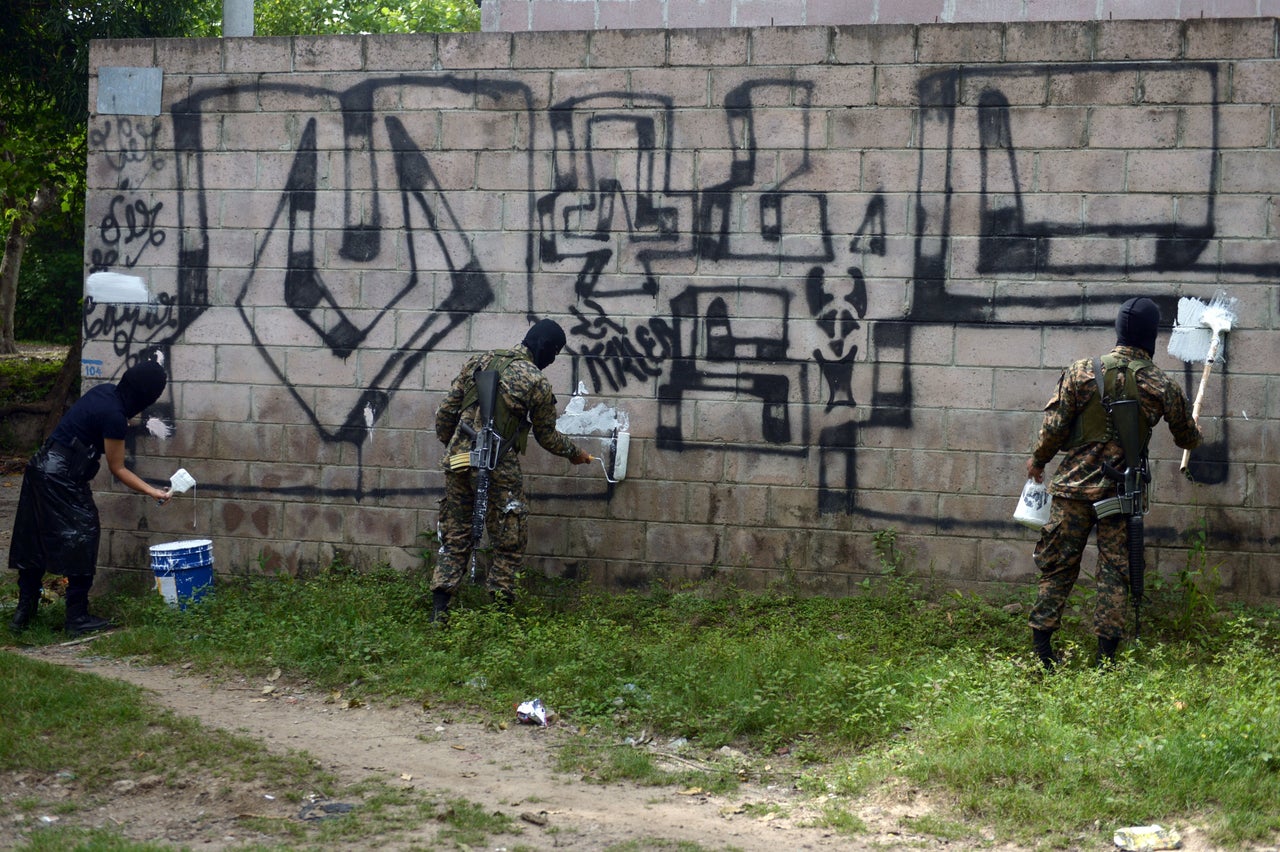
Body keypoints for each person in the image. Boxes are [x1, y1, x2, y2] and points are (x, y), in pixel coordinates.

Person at [1025, 297, 1202, 668]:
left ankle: (1042, 652)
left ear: (1120, 329)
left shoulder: (1080, 372)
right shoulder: (1162, 385)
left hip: (1072, 491)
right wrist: (1194, 433)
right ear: (1150, 335)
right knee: (1115, 573)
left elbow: (1053, 429)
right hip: (1121, 495)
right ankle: (1105, 660)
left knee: (1057, 566)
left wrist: (1038, 461)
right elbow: (1187, 437)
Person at [431, 319, 592, 622]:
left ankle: (439, 611)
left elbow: (445, 414)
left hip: (458, 462)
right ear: (544, 347)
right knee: (509, 537)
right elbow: (547, 437)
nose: (553, 360)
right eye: (554, 353)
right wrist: (576, 454)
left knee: (455, 534)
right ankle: (500, 614)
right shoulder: (535, 381)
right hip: (496, 467)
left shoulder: (479, 361)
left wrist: (454, 446)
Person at [8, 358, 172, 635]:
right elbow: (117, 468)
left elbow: (92, 425)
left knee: (34, 537)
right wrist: (152, 490)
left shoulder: (104, 393)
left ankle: (23, 613)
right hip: (62, 477)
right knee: (84, 534)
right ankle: (77, 617)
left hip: (40, 467)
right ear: (146, 397)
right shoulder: (115, 417)